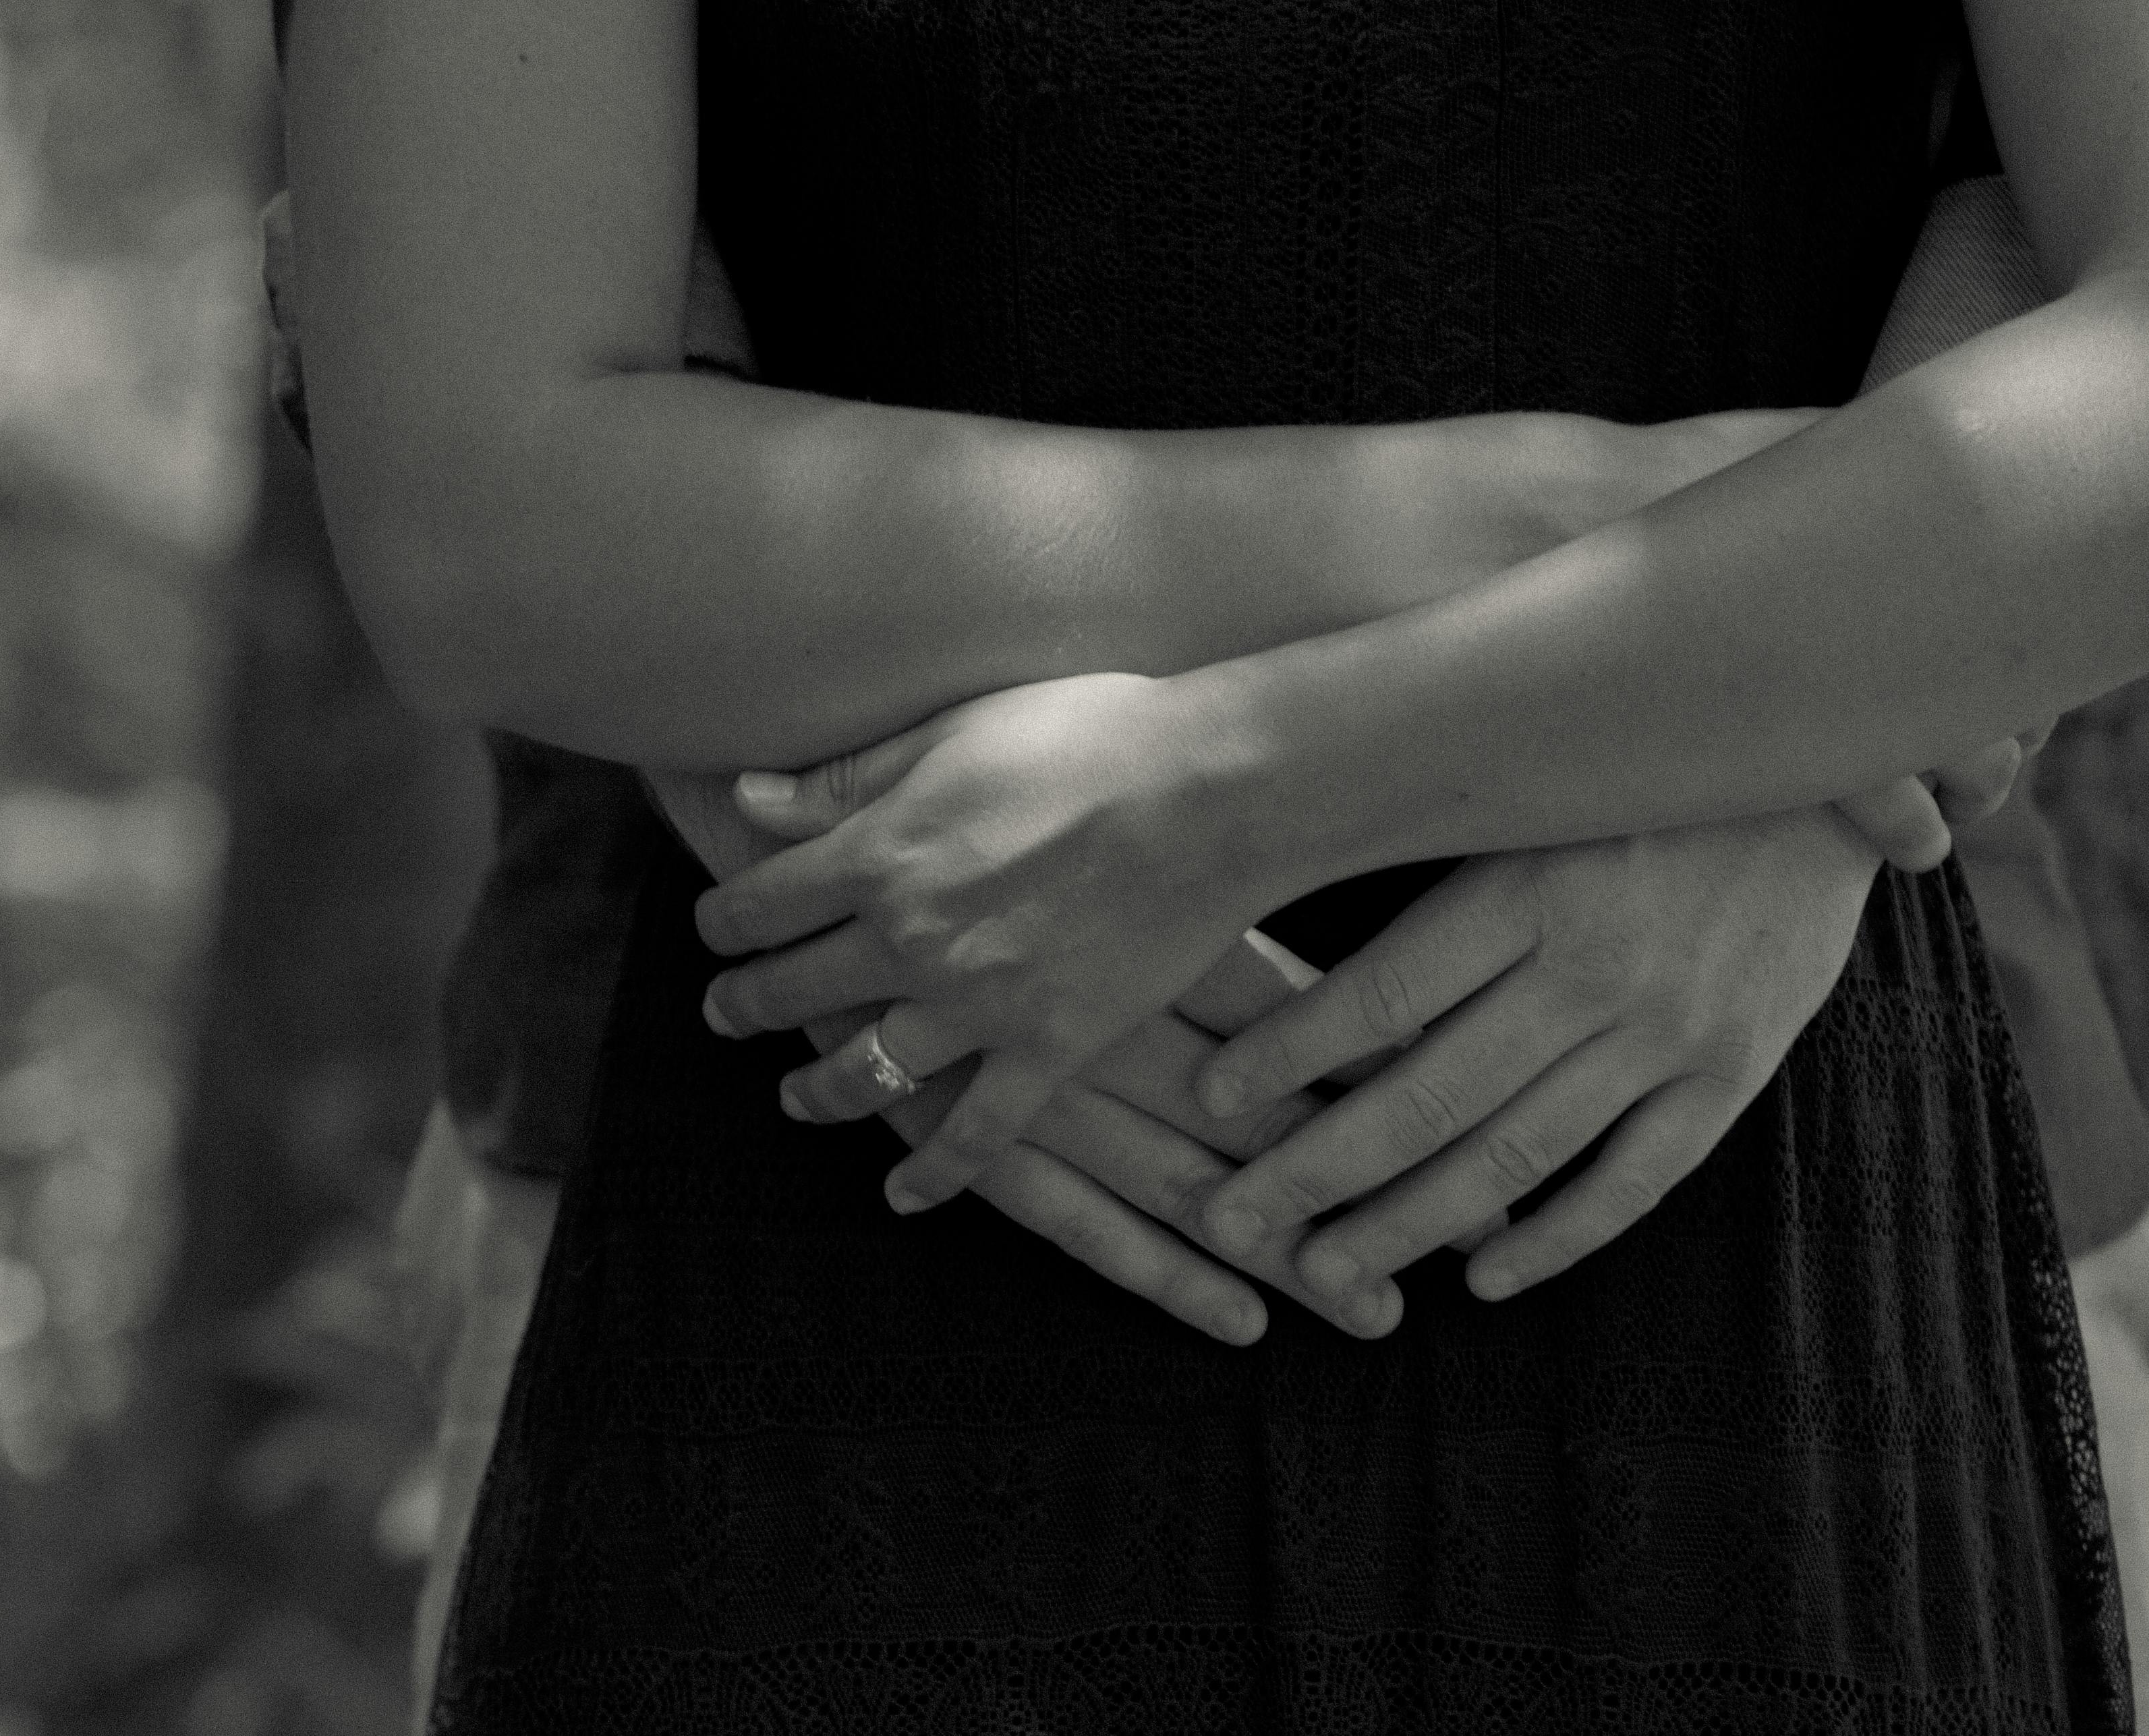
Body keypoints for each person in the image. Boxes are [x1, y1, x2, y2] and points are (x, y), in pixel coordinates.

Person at [285, 0, 2149, 1724]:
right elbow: (481, 483)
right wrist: (1590, 527)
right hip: (837, 1153)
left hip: (1771, 1140)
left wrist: (1237, 795)